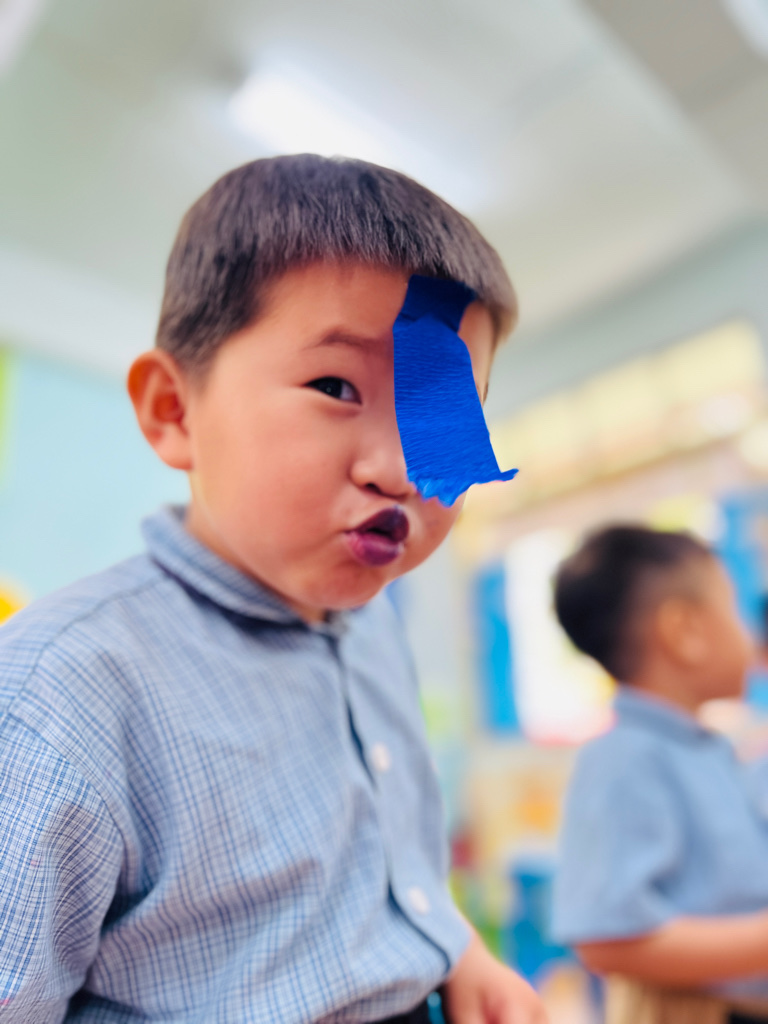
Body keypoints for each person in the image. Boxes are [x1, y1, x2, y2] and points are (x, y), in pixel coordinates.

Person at [0, 155, 545, 1024]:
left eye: (444, 415)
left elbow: (386, 864)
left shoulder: (372, 625)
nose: (402, 470)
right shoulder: (58, 687)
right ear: (174, 410)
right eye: (336, 387)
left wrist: (462, 954)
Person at [551, 524, 768, 1024]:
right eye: (734, 609)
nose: (750, 634)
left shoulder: (708, 749)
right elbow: (607, 939)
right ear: (684, 632)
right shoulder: (623, 758)